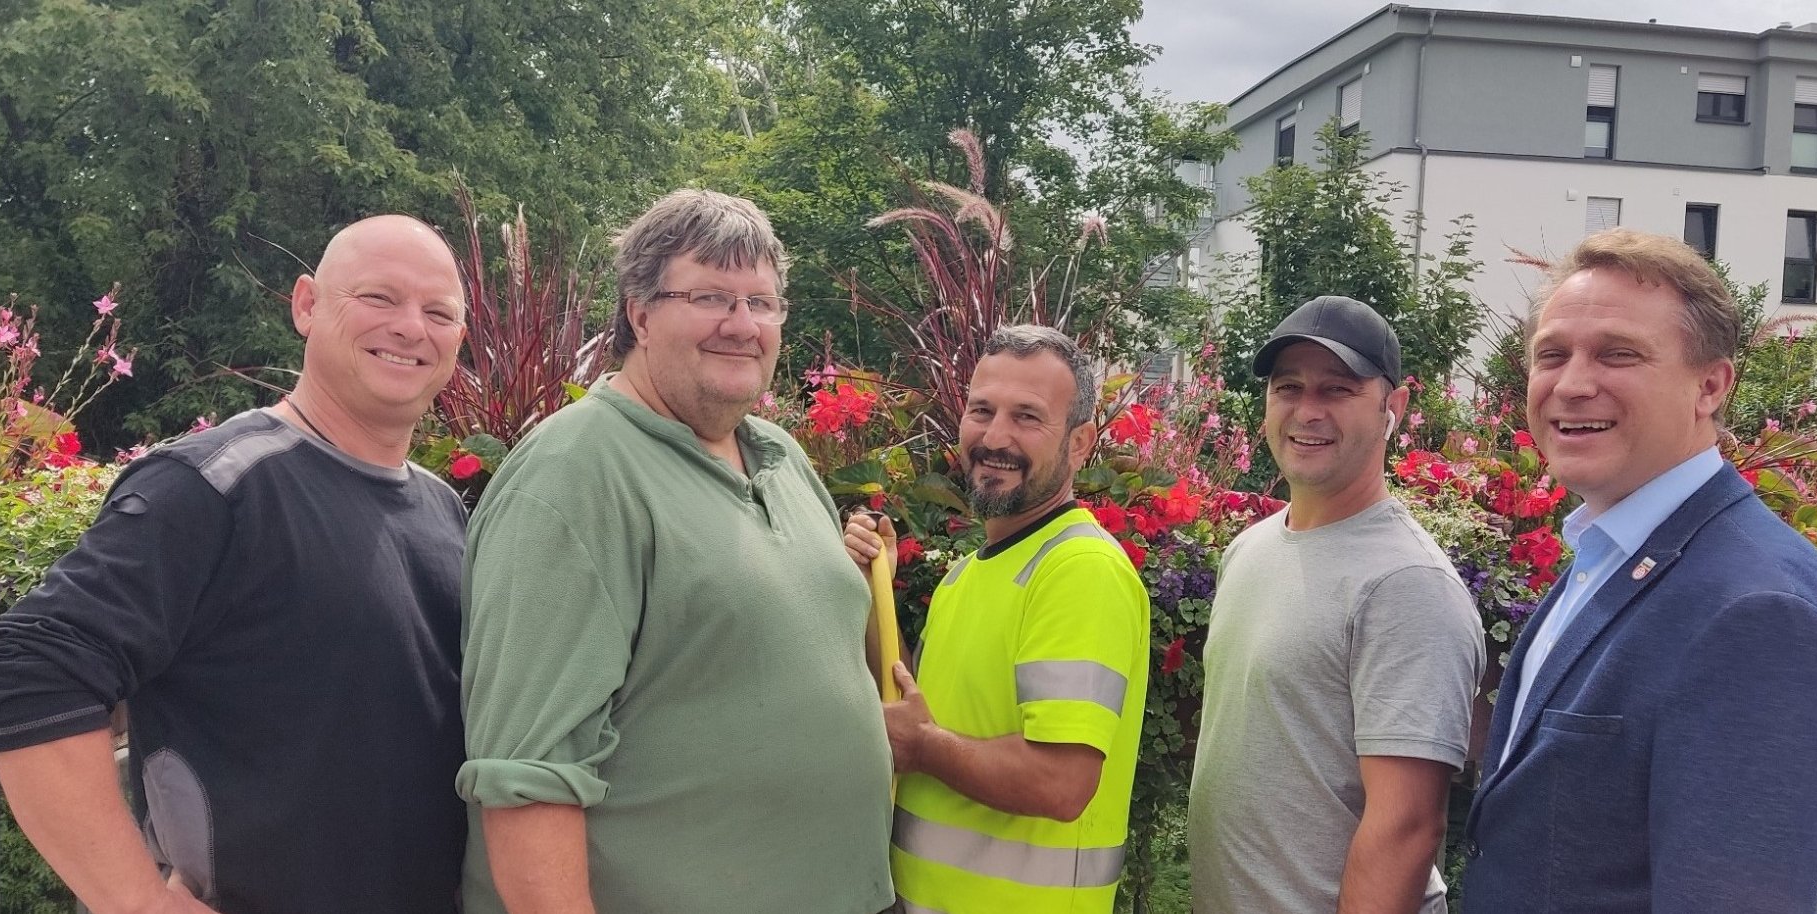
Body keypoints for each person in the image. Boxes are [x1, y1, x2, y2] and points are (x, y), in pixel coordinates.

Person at [0, 215, 472, 913]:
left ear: (457, 340)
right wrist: (139, 902)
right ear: (306, 305)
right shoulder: (215, 487)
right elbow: (31, 670)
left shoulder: (444, 512)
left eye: (438, 313)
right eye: (378, 298)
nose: (411, 327)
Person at [457, 188, 893, 914]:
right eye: (711, 297)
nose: (742, 325)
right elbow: (525, 779)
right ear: (639, 314)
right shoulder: (574, 474)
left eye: (761, 302)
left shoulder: (780, 456)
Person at [1461, 229, 1817, 912]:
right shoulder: (1611, 553)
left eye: (1618, 354)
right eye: (1551, 355)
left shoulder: (1757, 612)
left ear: (1710, 385)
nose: (1572, 384)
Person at [1187, 295, 1484, 914]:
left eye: (1337, 389)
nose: (1307, 411)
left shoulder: (1407, 583)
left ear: (1392, 408)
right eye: (1288, 387)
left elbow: (1407, 826)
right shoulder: (1250, 550)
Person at [846, 324, 1149, 914]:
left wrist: (924, 746)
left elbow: (1060, 783)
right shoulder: (967, 576)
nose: (994, 437)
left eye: (1027, 417)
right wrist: (868, 589)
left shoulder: (1079, 569)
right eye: (982, 410)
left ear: (1080, 443)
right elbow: (912, 708)